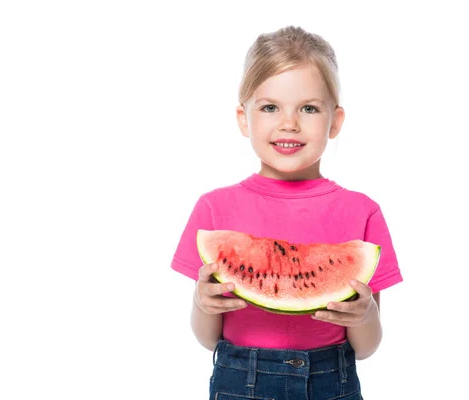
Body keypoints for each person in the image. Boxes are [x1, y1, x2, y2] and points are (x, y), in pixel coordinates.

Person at [170, 25, 403, 400]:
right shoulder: (213, 209)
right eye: (269, 107)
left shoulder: (363, 212)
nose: (288, 123)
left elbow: (366, 346)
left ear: (335, 121)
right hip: (238, 381)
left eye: (308, 108)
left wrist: (364, 316)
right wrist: (203, 303)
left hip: (333, 380)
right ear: (244, 119)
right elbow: (206, 337)